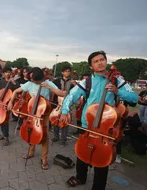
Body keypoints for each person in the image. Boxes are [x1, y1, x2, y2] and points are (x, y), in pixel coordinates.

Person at [59, 51, 138, 190]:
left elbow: (134, 98)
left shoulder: (117, 80)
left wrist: (117, 91)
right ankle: (80, 177)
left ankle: (98, 186)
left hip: (106, 126)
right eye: (96, 61)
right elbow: (71, 96)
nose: (100, 62)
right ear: (91, 66)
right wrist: (65, 111)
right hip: (87, 124)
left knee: (102, 158)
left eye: (102, 59)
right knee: (82, 153)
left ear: (106, 61)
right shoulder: (87, 81)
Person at [7, 67, 66, 169]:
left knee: (45, 136)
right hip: (32, 112)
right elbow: (16, 91)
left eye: (34, 80)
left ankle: (44, 158)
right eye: (31, 79)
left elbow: (63, 93)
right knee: (31, 131)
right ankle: (31, 153)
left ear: (40, 78)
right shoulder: (30, 83)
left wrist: (49, 87)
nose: (32, 81)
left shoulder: (47, 83)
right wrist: (11, 102)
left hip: (44, 114)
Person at [52, 65, 75, 145]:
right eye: (66, 71)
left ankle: (63, 138)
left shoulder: (72, 82)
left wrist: (75, 85)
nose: (67, 73)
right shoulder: (56, 81)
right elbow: (53, 91)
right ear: (62, 72)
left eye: (69, 71)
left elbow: (74, 94)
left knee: (66, 121)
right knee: (55, 120)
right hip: (57, 104)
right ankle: (55, 136)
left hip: (67, 103)